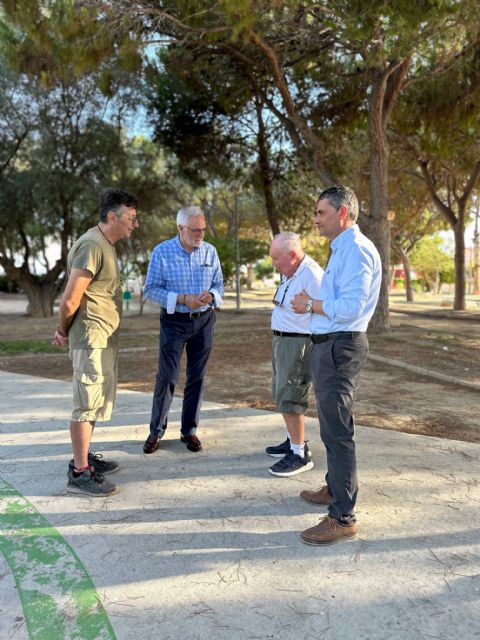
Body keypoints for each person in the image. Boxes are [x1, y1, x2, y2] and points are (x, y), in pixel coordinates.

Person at [291, 186, 381, 546]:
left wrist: (311, 304)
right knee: (331, 428)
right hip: (329, 347)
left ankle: (343, 516)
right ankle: (334, 489)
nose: (315, 220)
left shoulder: (356, 251)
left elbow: (352, 308)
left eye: (321, 213)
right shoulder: (342, 249)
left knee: (338, 432)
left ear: (342, 213)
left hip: (340, 348)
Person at [52, 188, 139, 496]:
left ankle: (85, 458)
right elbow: (70, 298)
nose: (135, 224)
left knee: (95, 402)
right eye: (131, 217)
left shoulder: (104, 244)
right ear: (112, 216)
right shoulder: (91, 244)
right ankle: (79, 472)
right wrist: (63, 330)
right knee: (85, 404)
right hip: (90, 337)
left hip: (101, 337)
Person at [142, 206, 224, 455]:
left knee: (197, 377)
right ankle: (156, 431)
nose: (200, 234)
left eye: (202, 229)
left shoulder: (210, 251)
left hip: (204, 321)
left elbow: (219, 284)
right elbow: (150, 289)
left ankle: (189, 431)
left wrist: (212, 295)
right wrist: (181, 298)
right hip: (174, 321)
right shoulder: (162, 252)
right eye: (195, 230)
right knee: (167, 377)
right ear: (180, 228)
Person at [266, 232, 323, 477]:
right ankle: (293, 440)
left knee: (291, 395)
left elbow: (327, 308)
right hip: (283, 341)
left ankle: (299, 454)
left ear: (292, 254)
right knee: (282, 392)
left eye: (277, 258)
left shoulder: (311, 274)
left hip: (297, 344)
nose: (273, 263)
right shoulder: (292, 272)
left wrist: (310, 305)